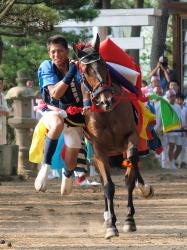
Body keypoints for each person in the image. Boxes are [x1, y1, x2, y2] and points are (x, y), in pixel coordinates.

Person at [34, 35, 84, 195]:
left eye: (60, 51)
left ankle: (68, 174)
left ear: (67, 51)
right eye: (53, 52)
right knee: (57, 124)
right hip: (51, 109)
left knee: (71, 161)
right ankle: (45, 167)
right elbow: (55, 93)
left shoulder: (79, 66)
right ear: (49, 54)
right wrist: (70, 73)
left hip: (76, 116)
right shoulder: (46, 66)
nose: (57, 55)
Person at [0, 78, 9, 145]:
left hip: (3, 124)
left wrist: (3, 112)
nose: (0, 85)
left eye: (1, 84)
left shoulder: (3, 96)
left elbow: (7, 112)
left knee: (2, 145)